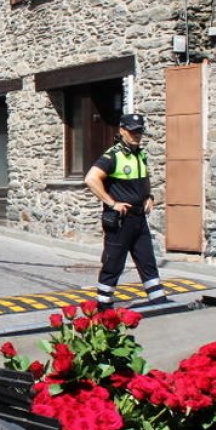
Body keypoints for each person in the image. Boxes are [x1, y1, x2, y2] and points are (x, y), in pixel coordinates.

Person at [84, 113, 168, 310]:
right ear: (122, 130)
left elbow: (143, 180)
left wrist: (149, 197)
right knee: (113, 265)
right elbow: (91, 179)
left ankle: (159, 303)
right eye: (131, 131)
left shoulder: (141, 154)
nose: (135, 135)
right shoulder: (113, 155)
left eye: (139, 131)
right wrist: (112, 203)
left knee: (148, 262)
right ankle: (104, 307)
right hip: (120, 220)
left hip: (139, 219)